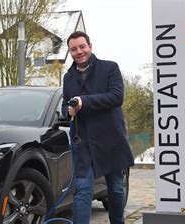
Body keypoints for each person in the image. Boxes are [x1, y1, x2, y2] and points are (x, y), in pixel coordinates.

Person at [61, 31, 134, 224]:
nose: (79, 52)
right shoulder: (68, 78)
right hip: (83, 142)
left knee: (117, 188)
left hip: (111, 139)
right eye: (74, 49)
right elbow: (64, 105)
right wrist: (68, 111)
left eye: (82, 47)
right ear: (70, 52)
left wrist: (84, 102)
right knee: (83, 189)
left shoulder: (110, 68)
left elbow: (117, 97)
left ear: (90, 46)